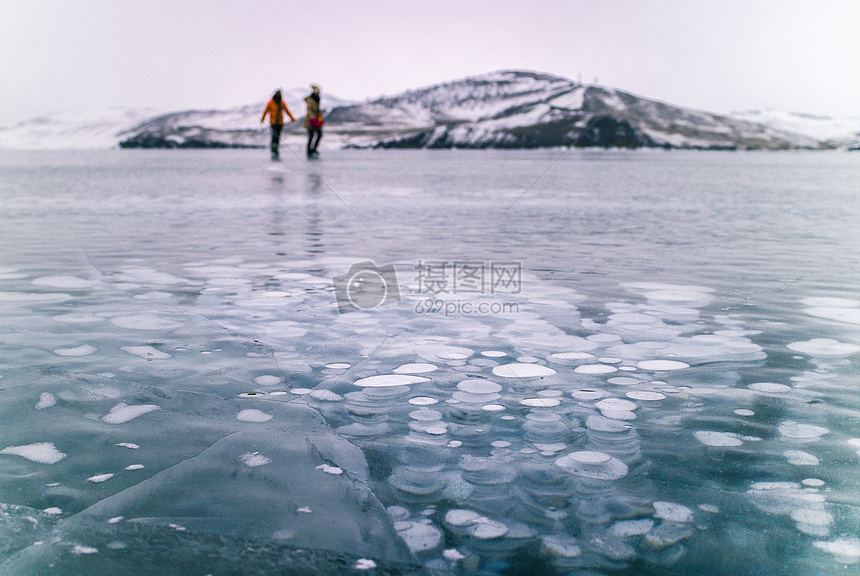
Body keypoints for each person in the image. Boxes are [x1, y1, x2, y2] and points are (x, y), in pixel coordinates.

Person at [261, 89, 295, 159]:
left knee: (278, 135)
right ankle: (273, 146)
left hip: (280, 122)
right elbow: (266, 111)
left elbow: (287, 111)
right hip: (273, 122)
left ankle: (276, 146)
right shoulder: (270, 102)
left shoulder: (282, 102)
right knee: (274, 133)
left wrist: (292, 118)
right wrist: (262, 119)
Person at [304, 84, 324, 157]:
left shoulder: (318, 99)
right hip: (310, 121)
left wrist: (320, 119)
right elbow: (309, 110)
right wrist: (313, 118)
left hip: (317, 120)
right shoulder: (310, 99)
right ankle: (309, 151)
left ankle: (314, 149)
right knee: (311, 136)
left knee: (319, 134)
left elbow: (318, 110)